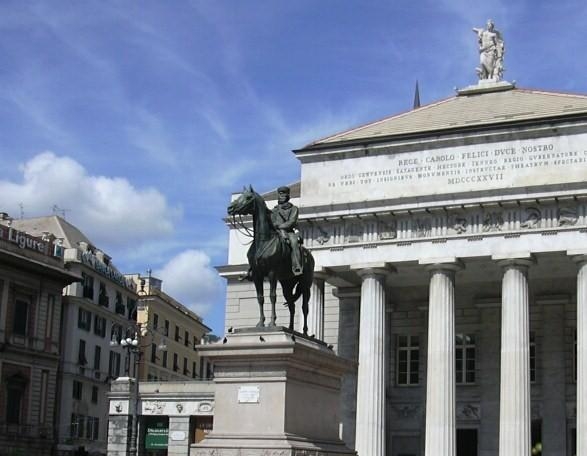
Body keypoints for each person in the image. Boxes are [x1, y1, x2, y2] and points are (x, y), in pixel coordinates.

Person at [272, 186, 303, 276]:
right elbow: (271, 221)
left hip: (288, 232)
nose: (281, 196)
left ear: (287, 196)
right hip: (275, 232)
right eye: (280, 194)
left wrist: (280, 227)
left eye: (283, 194)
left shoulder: (294, 209)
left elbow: (292, 221)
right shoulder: (274, 210)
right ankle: (253, 268)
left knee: (294, 243)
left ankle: (297, 266)